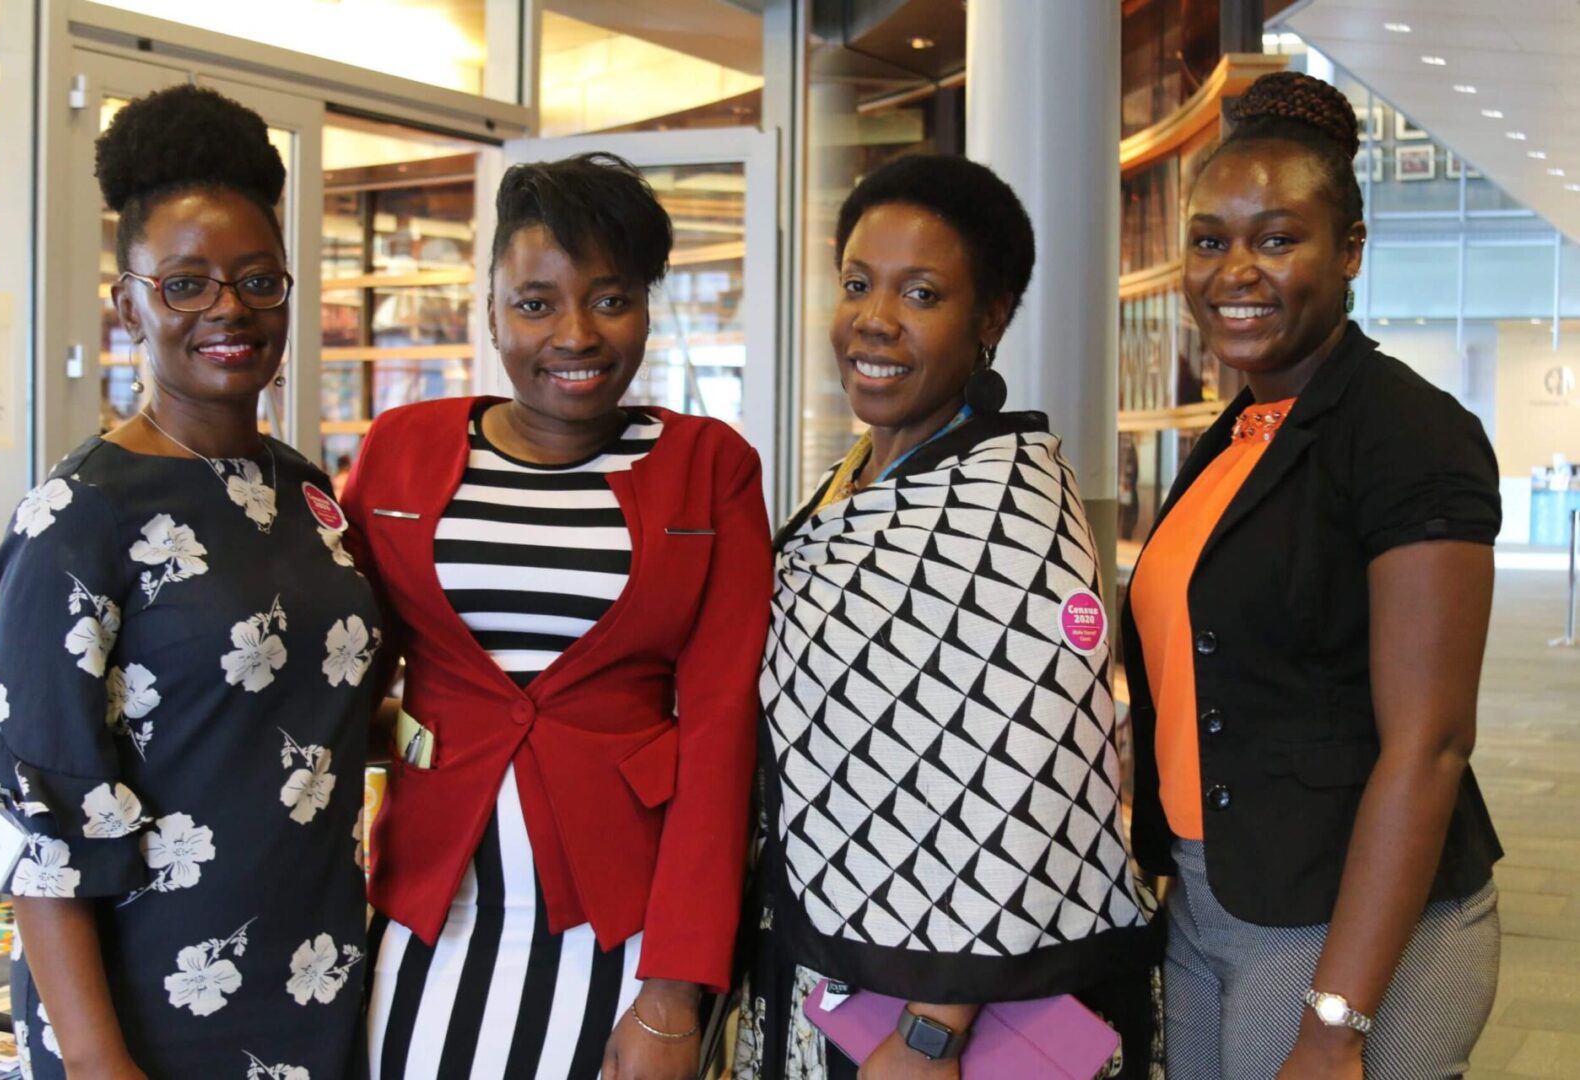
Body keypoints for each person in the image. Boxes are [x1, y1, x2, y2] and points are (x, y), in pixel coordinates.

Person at [0, 85, 381, 1078]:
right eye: (185, 284)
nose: (228, 309)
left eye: (257, 280)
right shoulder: (80, 519)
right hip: (148, 1016)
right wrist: (105, 1069)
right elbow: (39, 831)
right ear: (129, 303)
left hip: (317, 983)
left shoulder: (306, 494)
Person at [345, 152, 771, 1080]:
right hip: (432, 906)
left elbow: (719, 732)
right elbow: (341, 672)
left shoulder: (710, 466)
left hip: (622, 924)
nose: (575, 334)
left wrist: (674, 990)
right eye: (536, 303)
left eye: (610, 299)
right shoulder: (403, 452)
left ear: (648, 307)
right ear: (491, 309)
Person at [736, 154, 1157, 1080]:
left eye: (920, 293)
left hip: (940, 1008)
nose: (873, 320)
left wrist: (933, 1030)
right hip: (841, 958)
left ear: (990, 319)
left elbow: (1028, 775)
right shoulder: (866, 475)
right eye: (856, 284)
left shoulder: (1003, 508)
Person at [1121, 71, 1503, 1079]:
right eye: (1210, 240)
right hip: (1215, 900)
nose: (1235, 270)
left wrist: (1335, 1022)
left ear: (1350, 253)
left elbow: (1431, 745)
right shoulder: (1238, 433)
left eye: (1278, 239)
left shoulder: (1407, 434)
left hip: (1343, 919)